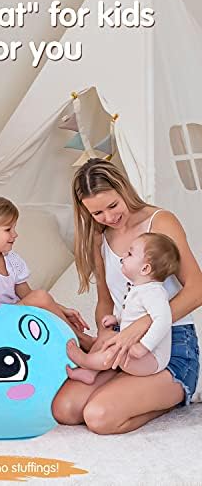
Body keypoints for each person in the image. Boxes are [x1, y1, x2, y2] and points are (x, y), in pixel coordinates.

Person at [52, 158, 201, 434]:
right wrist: (105, 334)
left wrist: (139, 328)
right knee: (66, 410)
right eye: (97, 213)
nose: (109, 217)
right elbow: (105, 301)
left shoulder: (159, 221)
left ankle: (173, 396)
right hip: (125, 345)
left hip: (170, 344)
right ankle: (127, 389)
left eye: (112, 205)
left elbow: (197, 289)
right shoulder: (99, 238)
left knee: (98, 417)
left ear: (123, 189)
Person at [0, 193, 88, 331]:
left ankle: (73, 334)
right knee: (40, 296)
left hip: (13, 315)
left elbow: (27, 295)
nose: (15, 234)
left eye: (14, 228)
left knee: (40, 301)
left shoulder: (11, 259)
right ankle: (80, 337)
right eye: (8, 229)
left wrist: (61, 309)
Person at [67, 232, 180, 384]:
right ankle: (90, 373)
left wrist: (144, 347)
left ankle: (85, 360)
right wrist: (117, 318)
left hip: (151, 359)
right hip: (138, 350)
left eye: (130, 254)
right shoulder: (139, 288)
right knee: (107, 337)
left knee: (114, 350)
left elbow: (164, 320)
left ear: (145, 269)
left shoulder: (154, 292)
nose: (124, 256)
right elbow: (133, 314)